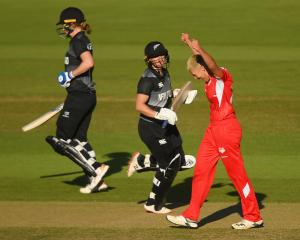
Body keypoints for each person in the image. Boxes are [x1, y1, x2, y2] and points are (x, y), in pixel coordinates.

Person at [166, 33, 263, 229]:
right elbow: (202, 63)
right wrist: (189, 45)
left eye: (194, 72)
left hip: (227, 129)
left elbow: (212, 65)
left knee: (237, 175)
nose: (193, 76)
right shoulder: (208, 78)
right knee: (201, 171)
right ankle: (191, 216)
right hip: (213, 130)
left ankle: (253, 216)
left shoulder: (221, 76)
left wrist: (199, 49)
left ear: (202, 68)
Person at [46, 7, 109, 194]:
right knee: (78, 139)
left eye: (64, 25)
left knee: (61, 140)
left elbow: (88, 62)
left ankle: (95, 169)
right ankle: (96, 179)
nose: (63, 29)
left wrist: (69, 75)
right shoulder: (82, 40)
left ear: (71, 24)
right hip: (84, 95)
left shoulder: (78, 41)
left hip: (80, 95)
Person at [132, 41, 197, 214]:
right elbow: (140, 105)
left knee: (179, 159)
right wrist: (159, 113)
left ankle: (142, 161)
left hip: (166, 124)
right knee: (168, 164)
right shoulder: (147, 79)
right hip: (151, 127)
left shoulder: (165, 73)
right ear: (149, 60)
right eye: (155, 57)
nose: (160, 59)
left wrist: (179, 95)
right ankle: (153, 203)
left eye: (162, 55)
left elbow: (164, 96)